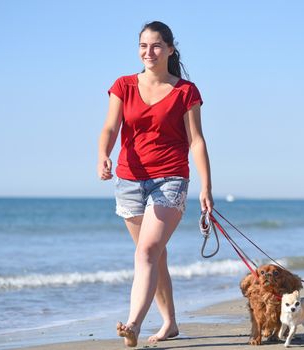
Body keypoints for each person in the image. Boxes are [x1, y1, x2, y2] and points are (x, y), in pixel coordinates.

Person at [97, 21, 213, 347]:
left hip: (170, 178)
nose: (149, 52)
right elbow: (109, 127)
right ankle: (170, 323)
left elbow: (197, 141)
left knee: (147, 251)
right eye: (143, 46)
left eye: (157, 45)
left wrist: (206, 187)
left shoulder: (185, 91)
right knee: (154, 255)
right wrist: (103, 155)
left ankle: (133, 323)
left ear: (170, 49)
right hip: (129, 179)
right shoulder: (123, 86)